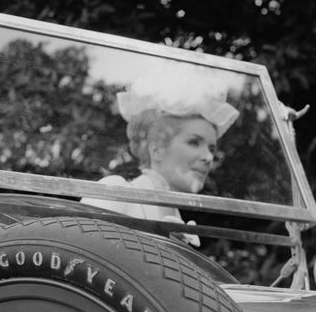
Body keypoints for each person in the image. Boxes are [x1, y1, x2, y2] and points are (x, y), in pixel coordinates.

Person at [83, 86, 238, 237]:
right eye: (194, 142)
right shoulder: (116, 191)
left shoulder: (177, 218)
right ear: (156, 150)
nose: (209, 157)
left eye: (211, 149)